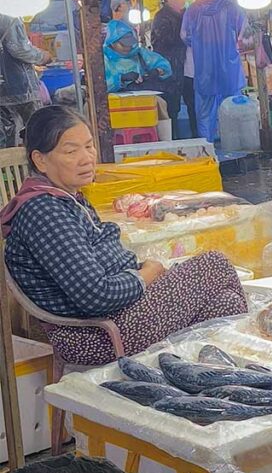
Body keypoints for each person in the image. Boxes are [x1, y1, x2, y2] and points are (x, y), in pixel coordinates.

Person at [0, 106, 246, 365]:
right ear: (40, 160)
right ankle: (236, 376)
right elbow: (95, 296)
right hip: (95, 336)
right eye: (71, 151)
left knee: (225, 303)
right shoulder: (44, 211)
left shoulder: (69, 198)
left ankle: (221, 385)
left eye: (89, 146)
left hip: (120, 316)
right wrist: (145, 275)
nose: (87, 158)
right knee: (214, 265)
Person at [180, 0, 248, 141]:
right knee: (232, 111)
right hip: (229, 69)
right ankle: (232, 147)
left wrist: (199, 44)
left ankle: (208, 149)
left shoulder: (193, 9)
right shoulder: (233, 9)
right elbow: (245, 38)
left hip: (204, 69)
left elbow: (184, 35)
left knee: (204, 113)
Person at [0, 15, 51, 148]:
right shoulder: (8, 16)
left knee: (7, 137)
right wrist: (43, 56)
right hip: (19, 87)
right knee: (37, 134)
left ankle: (9, 168)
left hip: (6, 88)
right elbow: (20, 49)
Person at [148, 0, 191, 138]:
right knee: (171, 108)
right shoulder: (162, 17)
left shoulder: (184, 14)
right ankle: (172, 140)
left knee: (190, 105)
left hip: (185, 68)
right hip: (170, 70)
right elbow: (161, 42)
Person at [103, 20, 171, 94]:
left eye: (130, 43)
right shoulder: (104, 59)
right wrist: (120, 79)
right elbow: (99, 85)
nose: (128, 47)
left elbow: (164, 66)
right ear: (112, 42)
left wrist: (157, 71)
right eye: (123, 44)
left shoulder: (140, 53)